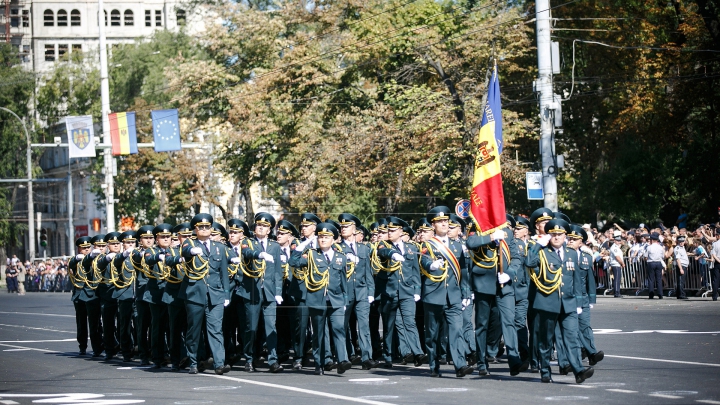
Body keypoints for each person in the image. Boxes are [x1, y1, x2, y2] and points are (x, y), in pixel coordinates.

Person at [525, 219, 594, 384]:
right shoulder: (542, 252)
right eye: (553, 234)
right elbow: (528, 262)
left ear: (565, 236)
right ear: (549, 236)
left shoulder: (571, 253)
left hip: (568, 303)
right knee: (546, 339)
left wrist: (579, 303)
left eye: (560, 234)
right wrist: (537, 245)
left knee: (571, 338)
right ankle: (545, 370)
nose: (556, 237)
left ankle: (578, 370)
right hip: (548, 302)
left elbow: (576, 280)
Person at [466, 213, 527, 376]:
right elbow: (470, 242)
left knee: (508, 322)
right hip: (483, 283)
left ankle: (514, 359)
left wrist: (510, 272)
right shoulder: (478, 229)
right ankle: (481, 361)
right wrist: (492, 236)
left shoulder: (506, 232)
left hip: (504, 284)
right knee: (482, 325)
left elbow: (516, 258)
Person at [289, 222, 352, 375]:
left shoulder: (340, 257)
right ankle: (319, 363)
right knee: (319, 333)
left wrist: (345, 300)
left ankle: (342, 360)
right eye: (320, 237)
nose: (323, 240)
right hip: (317, 300)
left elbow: (343, 281)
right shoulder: (311, 254)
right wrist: (303, 244)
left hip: (336, 300)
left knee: (339, 329)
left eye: (326, 237)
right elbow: (293, 262)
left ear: (333, 239)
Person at [418, 206, 473, 378]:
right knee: (433, 333)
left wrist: (466, 293)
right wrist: (431, 265)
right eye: (439, 222)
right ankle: (434, 364)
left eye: (445, 221)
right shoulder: (427, 245)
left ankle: (460, 365)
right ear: (433, 225)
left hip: (454, 295)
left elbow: (463, 272)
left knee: (457, 329)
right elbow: (423, 261)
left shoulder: (458, 246)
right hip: (434, 294)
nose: (444, 224)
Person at [180, 213, 232, 375]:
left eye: (207, 227)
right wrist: (192, 251)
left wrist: (226, 294)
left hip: (215, 294)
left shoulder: (219, 247)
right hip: (195, 294)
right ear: (195, 229)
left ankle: (219, 363)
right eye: (200, 227)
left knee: (216, 330)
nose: (204, 229)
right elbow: (185, 251)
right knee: (194, 330)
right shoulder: (189, 243)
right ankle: (193, 361)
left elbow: (224, 272)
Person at [375, 216, 425, 369]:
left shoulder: (411, 247)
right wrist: (393, 254)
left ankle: (418, 353)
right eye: (388, 230)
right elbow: (382, 252)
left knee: (410, 322)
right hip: (389, 292)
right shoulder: (383, 245)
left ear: (401, 231)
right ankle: (388, 355)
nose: (390, 232)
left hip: (407, 291)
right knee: (389, 326)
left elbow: (415, 270)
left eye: (393, 230)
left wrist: (417, 289)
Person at [239, 212, 284, 373]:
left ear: (269, 229)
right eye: (259, 225)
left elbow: (278, 271)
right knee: (251, 328)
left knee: (271, 327)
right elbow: (246, 253)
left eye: (265, 226)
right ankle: (249, 359)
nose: (261, 228)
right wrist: (259, 254)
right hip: (252, 292)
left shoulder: (274, 246)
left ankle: (273, 360)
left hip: (270, 293)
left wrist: (278, 291)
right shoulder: (247, 242)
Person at [337, 213, 379, 370]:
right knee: (342, 325)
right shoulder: (337, 248)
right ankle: (344, 356)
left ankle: (367, 357)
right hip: (344, 292)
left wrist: (370, 292)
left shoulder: (363, 249)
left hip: (361, 291)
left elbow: (368, 272)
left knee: (364, 325)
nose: (343, 229)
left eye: (346, 226)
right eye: (341, 227)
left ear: (354, 229)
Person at [567, 225, 603, 366]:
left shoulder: (586, 258)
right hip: (568, 298)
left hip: (583, 298)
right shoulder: (562, 255)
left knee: (585, 326)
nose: (570, 241)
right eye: (569, 238)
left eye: (574, 239)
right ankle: (586, 353)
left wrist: (591, 299)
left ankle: (591, 353)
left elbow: (590, 280)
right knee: (572, 329)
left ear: (580, 241)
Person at [111, 231, 138, 362]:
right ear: (123, 244)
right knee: (125, 325)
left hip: (138, 295)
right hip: (125, 294)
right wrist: (124, 255)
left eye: (133, 242)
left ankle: (139, 349)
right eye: (128, 243)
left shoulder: (140, 256)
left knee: (140, 325)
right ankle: (126, 351)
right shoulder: (120, 257)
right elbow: (116, 262)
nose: (131, 245)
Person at [68, 236, 92, 355]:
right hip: (79, 293)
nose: (87, 249)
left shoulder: (94, 259)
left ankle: (98, 345)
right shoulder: (75, 260)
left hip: (91, 293)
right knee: (81, 322)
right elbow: (71, 264)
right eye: (84, 248)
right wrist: (77, 259)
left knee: (95, 322)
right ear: (79, 249)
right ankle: (82, 345)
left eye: (88, 247)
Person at [646, 232, 665, 299]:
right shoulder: (660, 247)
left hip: (651, 262)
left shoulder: (649, 247)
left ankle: (651, 294)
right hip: (658, 262)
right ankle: (660, 294)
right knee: (659, 279)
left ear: (651, 240)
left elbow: (646, 256)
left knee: (651, 279)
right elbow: (663, 256)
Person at [608, 232, 624, 297]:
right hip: (616, 264)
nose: (619, 242)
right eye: (617, 241)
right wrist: (622, 263)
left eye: (619, 241)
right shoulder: (614, 247)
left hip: (617, 264)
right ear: (614, 241)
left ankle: (617, 292)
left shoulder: (616, 247)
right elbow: (617, 257)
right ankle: (617, 293)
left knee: (617, 279)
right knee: (617, 279)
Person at [674, 235, 689, 300]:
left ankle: (679, 294)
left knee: (682, 281)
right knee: (680, 281)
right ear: (677, 241)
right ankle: (681, 294)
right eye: (680, 241)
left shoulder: (683, 247)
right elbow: (678, 259)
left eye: (682, 241)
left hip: (684, 265)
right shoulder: (677, 249)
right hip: (681, 265)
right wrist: (680, 268)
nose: (681, 242)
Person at [711, 229, 720, 301]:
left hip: (718, 262)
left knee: (716, 279)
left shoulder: (714, 244)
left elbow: (713, 254)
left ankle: (714, 296)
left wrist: (719, 260)